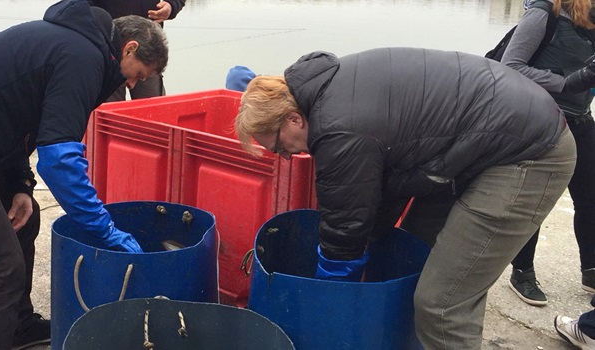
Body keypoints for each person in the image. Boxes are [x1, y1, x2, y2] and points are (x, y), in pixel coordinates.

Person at [234, 48, 576, 349]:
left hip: (527, 153)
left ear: (293, 118)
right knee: (410, 252)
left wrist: (330, 307)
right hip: (473, 146)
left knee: (441, 303)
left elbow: (343, 236)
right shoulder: (326, 91)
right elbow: (375, 195)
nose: (286, 157)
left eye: (279, 147)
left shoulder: (337, 130)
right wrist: (370, 242)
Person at [0, 0, 168, 348]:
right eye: (138, 74)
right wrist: (108, 233)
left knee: (26, 217)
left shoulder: (81, 47)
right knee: (2, 264)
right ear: (129, 48)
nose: (133, 84)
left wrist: (21, 185)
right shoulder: (82, 57)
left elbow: (22, 123)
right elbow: (59, 160)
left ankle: (18, 326)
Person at [500, 0, 595, 306]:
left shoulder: (591, 18)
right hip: (544, 119)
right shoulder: (544, 13)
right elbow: (511, 66)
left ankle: (591, 269)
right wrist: (565, 83)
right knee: (536, 200)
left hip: (581, 120)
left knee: (591, 198)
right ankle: (522, 271)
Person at [88, 0, 185, 101]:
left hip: (149, 54)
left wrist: (172, 4)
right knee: (108, 110)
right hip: (109, 48)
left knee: (153, 109)